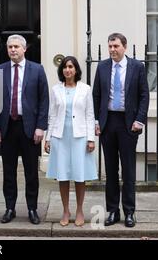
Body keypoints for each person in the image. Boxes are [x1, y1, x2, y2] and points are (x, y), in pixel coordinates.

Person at [0, 34, 49, 225]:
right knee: (9, 171)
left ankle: (32, 208)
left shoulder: (37, 70)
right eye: (10, 47)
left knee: (31, 171)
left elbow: (44, 101)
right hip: (7, 127)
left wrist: (41, 127)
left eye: (16, 46)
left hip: (30, 128)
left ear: (24, 49)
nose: (13, 50)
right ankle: (10, 208)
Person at [93, 33, 149, 228]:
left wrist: (139, 120)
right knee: (110, 170)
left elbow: (144, 95)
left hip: (128, 123)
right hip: (108, 122)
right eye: (110, 46)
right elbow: (97, 96)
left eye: (115, 46)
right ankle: (112, 211)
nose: (112, 50)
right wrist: (97, 121)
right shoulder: (102, 67)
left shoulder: (137, 67)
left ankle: (129, 212)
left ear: (124, 46)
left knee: (128, 170)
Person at [45, 56, 97, 227]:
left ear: (76, 70)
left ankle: (80, 210)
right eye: (65, 67)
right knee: (63, 175)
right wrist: (48, 138)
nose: (68, 70)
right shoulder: (55, 90)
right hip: (60, 137)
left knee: (79, 176)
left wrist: (91, 139)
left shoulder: (85, 89)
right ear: (62, 71)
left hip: (79, 137)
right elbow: (52, 115)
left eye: (71, 67)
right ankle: (66, 210)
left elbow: (90, 115)